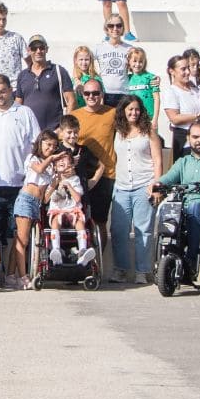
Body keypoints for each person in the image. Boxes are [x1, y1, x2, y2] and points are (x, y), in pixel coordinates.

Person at [153, 121, 200, 285]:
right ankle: (165, 257)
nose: (199, 141)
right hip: (186, 205)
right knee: (168, 207)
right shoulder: (183, 161)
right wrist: (157, 185)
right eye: (195, 137)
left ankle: (191, 261)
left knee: (195, 206)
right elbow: (169, 178)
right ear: (188, 138)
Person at [0, 74, 41, 254]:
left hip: (20, 184)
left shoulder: (25, 112)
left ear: (11, 90)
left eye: (3, 91)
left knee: (18, 232)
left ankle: (18, 268)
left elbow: (37, 143)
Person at [109, 96, 164, 284]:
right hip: (122, 187)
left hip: (144, 185)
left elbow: (158, 160)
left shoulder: (149, 131)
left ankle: (143, 271)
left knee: (144, 230)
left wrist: (156, 186)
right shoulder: (118, 131)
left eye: (137, 109)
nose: (134, 113)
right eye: (130, 109)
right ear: (123, 111)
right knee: (118, 230)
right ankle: (121, 269)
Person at [9, 130, 65, 288]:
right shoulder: (32, 158)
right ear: (40, 143)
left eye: (54, 146)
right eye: (48, 144)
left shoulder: (51, 167)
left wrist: (55, 182)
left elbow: (45, 197)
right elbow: (39, 169)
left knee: (20, 239)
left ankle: (10, 274)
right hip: (26, 199)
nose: (51, 148)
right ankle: (23, 276)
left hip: (37, 203)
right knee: (23, 240)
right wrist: (52, 158)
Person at [71, 79, 117, 228]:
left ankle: (100, 245)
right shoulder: (74, 115)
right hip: (79, 174)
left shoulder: (113, 113)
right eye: (87, 93)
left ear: (102, 94)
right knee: (77, 218)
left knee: (100, 221)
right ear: (82, 95)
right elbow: (62, 138)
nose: (91, 96)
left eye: (95, 93)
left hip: (106, 173)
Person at [45, 152, 96, 267]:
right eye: (59, 160)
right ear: (55, 167)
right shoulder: (52, 180)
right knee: (55, 221)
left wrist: (68, 185)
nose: (62, 161)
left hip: (73, 211)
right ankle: (56, 250)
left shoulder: (75, 179)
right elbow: (45, 199)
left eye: (65, 159)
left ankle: (82, 251)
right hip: (58, 212)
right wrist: (55, 185)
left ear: (71, 165)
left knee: (80, 222)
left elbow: (77, 198)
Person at [15, 34, 75, 131]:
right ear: (28, 50)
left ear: (46, 49)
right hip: (30, 132)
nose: (38, 51)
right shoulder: (22, 75)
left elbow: (71, 101)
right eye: (34, 48)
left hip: (54, 132)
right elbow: (18, 104)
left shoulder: (59, 71)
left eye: (41, 47)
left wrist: (63, 128)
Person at [161, 55, 200, 161]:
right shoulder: (171, 91)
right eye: (183, 69)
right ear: (172, 71)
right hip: (185, 142)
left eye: (188, 68)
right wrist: (199, 116)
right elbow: (174, 118)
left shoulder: (194, 89)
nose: (187, 72)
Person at [95, 18, 133, 106]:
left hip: (124, 93)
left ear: (123, 28)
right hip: (104, 93)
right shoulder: (99, 48)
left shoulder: (130, 48)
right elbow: (79, 62)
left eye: (118, 25)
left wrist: (153, 79)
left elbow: (139, 67)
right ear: (106, 28)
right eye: (111, 26)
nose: (115, 28)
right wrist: (77, 79)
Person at [125, 47, 160, 117]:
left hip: (148, 117)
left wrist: (155, 118)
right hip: (133, 117)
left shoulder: (151, 78)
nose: (137, 64)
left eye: (140, 61)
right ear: (129, 62)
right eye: (134, 61)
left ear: (144, 62)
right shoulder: (126, 78)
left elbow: (157, 99)